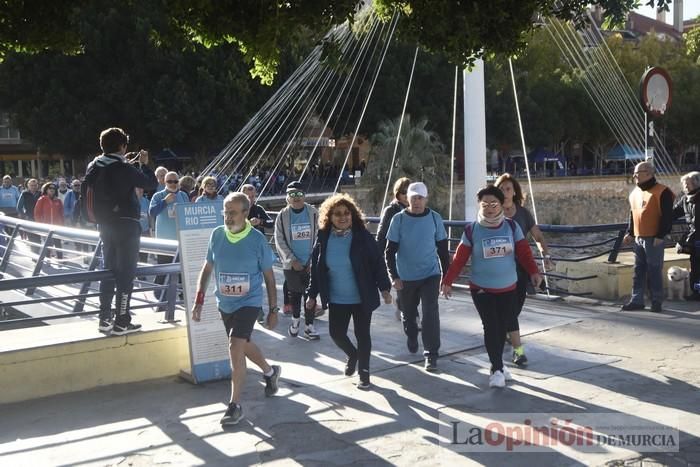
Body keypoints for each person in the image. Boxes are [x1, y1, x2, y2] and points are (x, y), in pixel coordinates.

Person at [190, 192, 281, 426]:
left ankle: (234, 405)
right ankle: (270, 372)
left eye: (232, 212)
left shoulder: (258, 240)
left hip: (249, 302)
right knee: (243, 344)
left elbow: (270, 279)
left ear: (245, 213)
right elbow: (207, 269)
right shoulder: (217, 235)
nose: (227, 217)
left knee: (234, 346)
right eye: (225, 212)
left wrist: (273, 309)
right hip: (225, 303)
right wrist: (199, 300)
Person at [441, 186, 542, 388]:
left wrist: (534, 272)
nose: (489, 208)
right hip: (482, 288)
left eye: (493, 204)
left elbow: (524, 253)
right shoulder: (472, 230)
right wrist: (448, 281)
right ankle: (496, 369)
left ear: (501, 205)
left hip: (508, 287)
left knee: (503, 326)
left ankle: (500, 366)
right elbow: (460, 258)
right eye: (484, 204)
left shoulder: (512, 227)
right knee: (491, 326)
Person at [305, 194, 392, 389]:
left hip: (362, 296)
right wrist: (312, 294)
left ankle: (364, 373)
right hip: (337, 298)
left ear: (353, 215)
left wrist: (384, 288)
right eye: (338, 214)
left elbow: (378, 263)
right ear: (330, 217)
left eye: (347, 213)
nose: (343, 217)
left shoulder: (363, 237)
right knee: (336, 333)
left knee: (363, 335)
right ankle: (353, 355)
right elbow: (317, 269)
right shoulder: (323, 238)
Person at [85, 128, 157, 334]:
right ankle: (122, 320)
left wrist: (128, 162)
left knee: (108, 271)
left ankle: (104, 318)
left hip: (104, 225)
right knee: (126, 274)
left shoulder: (94, 166)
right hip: (126, 225)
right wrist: (144, 164)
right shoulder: (125, 168)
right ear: (122, 146)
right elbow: (150, 183)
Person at [385, 182, 449, 372]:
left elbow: (443, 251)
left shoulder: (435, 218)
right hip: (406, 277)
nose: (417, 201)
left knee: (430, 313)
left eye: (420, 198)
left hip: (430, 274)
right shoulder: (399, 219)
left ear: (426, 199)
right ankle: (412, 335)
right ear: (408, 199)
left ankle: (431, 354)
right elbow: (389, 252)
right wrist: (394, 276)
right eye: (413, 198)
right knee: (409, 315)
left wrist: (447, 279)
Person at [495, 173, 553, 366]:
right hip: (501, 269)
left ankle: (504, 330)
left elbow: (537, 236)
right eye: (501, 189)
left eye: (508, 189)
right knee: (511, 310)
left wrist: (545, 255)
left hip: (521, 269)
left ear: (514, 192)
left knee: (516, 307)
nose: (505, 192)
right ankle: (518, 350)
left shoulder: (523, 213)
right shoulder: (492, 213)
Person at [621, 161, 674, 313]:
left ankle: (656, 301)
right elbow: (633, 214)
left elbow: (667, 216)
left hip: (654, 237)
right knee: (638, 270)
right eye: (635, 173)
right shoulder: (635, 192)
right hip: (639, 237)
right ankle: (637, 300)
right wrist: (630, 233)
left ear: (649, 173)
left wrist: (661, 234)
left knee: (654, 270)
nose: (634, 176)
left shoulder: (662, 191)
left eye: (637, 173)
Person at [274, 181, 319, 339]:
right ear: (287, 198)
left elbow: (319, 236)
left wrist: (313, 260)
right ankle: (295, 321)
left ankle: (309, 325)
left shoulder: (313, 212)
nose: (296, 198)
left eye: (299, 194)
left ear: (304, 196)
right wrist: (292, 260)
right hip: (291, 264)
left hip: (310, 263)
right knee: (296, 294)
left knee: (311, 295)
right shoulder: (282, 216)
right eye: (292, 194)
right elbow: (279, 239)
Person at [149, 171, 190, 300]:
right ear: (164, 182)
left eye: (175, 181)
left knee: (182, 271)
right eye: (169, 181)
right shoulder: (158, 195)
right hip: (164, 241)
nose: (173, 184)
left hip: (181, 240)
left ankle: (184, 297)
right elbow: (152, 212)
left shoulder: (183, 195)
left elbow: (188, 214)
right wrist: (165, 202)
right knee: (164, 270)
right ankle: (160, 295)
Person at [376, 177, 411, 322]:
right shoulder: (391, 210)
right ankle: (408, 313)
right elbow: (382, 233)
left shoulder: (415, 210)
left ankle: (404, 307)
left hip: (411, 253)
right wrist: (378, 255)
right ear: (397, 193)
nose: (405, 196)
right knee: (403, 283)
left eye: (408, 192)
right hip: (395, 253)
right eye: (403, 192)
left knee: (410, 285)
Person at [672, 171, 700, 301]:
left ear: (696, 183)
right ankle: (696, 293)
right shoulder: (685, 199)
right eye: (684, 184)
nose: (685, 187)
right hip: (695, 238)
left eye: (687, 184)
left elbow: (697, 224)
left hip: (696, 237)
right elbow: (673, 213)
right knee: (695, 266)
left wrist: (684, 240)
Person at [34, 182, 65, 259]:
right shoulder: (41, 199)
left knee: (58, 242)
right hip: (45, 226)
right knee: (47, 243)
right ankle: (47, 258)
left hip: (57, 226)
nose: (52, 190)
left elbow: (61, 214)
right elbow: (37, 213)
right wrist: (40, 224)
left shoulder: (58, 200)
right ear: (46, 189)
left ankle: (60, 258)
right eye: (50, 188)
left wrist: (62, 224)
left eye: (53, 188)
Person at [17, 178, 42, 251]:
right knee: (31, 237)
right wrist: (24, 216)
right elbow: (19, 207)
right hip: (29, 218)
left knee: (38, 237)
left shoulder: (41, 193)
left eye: (35, 185)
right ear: (28, 186)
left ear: (37, 186)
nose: (33, 187)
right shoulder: (24, 193)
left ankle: (37, 253)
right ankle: (34, 254)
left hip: (39, 219)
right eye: (31, 185)